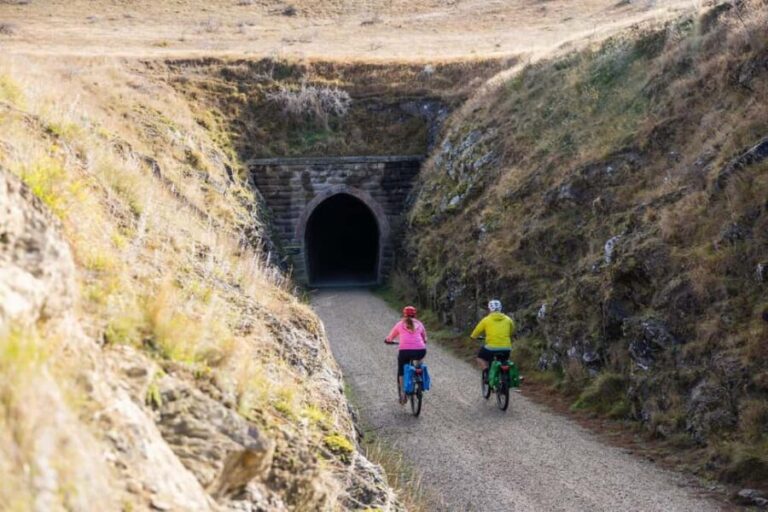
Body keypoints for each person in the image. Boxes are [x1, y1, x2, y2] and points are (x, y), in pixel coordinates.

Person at [385, 306, 427, 404]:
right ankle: (418, 373)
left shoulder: (399, 324)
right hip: (420, 350)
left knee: (401, 371)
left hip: (405, 351)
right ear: (415, 314)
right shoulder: (420, 324)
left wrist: (388, 340)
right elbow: (425, 339)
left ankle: (403, 396)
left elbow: (390, 338)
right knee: (419, 363)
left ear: (404, 314)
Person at [470, 299, 516, 370]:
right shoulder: (508, 319)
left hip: (491, 348)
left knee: (480, 358)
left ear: (489, 309)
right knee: (504, 361)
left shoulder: (486, 320)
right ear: (500, 308)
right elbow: (512, 331)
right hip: (506, 348)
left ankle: (486, 372)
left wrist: (473, 337)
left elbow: (477, 331)